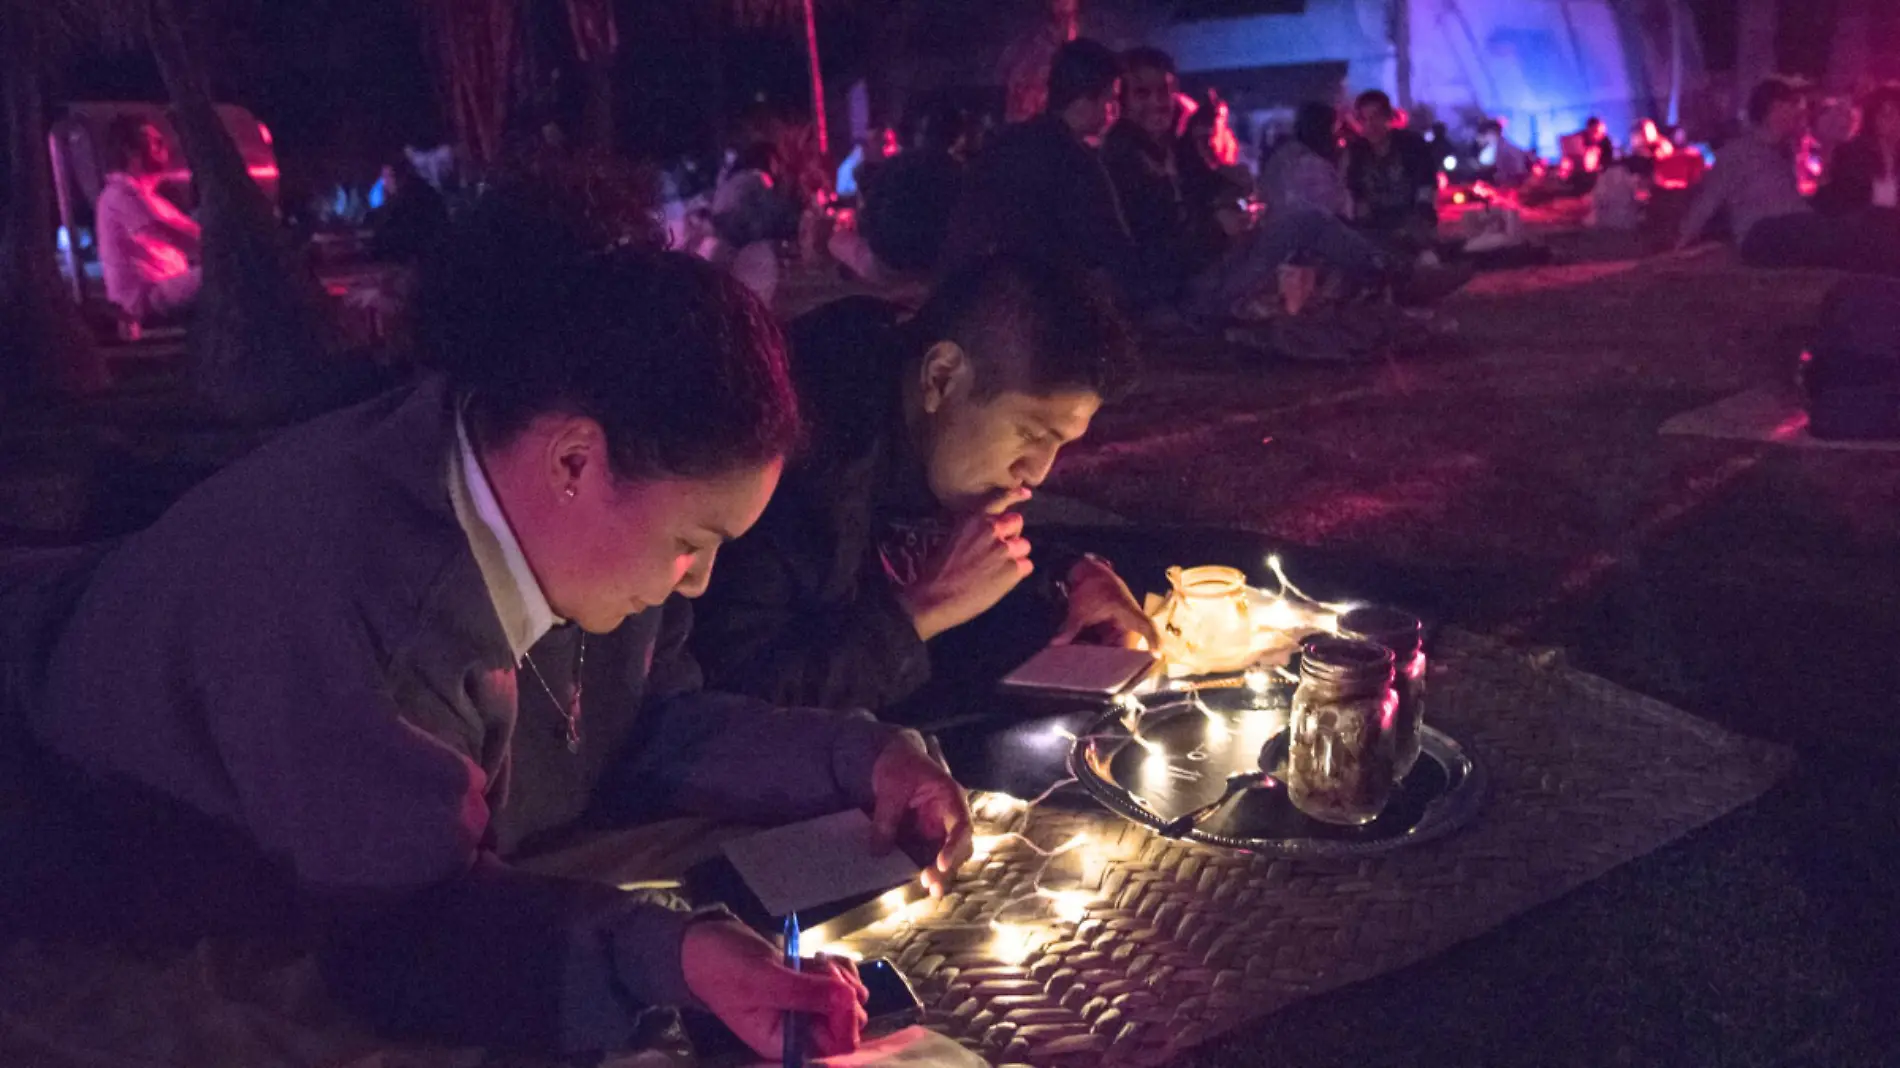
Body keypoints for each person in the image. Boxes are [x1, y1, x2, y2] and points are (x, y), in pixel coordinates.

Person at [22, 166, 972, 1060]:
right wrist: (670, 956)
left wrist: (857, 758)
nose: (697, 581)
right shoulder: (360, 613)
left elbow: (640, 725)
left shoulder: (556, 503)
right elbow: (404, 935)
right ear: (572, 462)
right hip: (52, 799)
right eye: (696, 538)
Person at [690, 255, 1155, 716]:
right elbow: (733, 693)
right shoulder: (800, 461)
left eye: (1060, 445)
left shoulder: (942, 443)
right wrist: (919, 615)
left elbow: (943, 551)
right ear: (942, 377)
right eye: (1032, 434)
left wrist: (1068, 575)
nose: (1037, 472)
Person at [943, 39, 1167, 307]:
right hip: (1039, 311)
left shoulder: (1004, 144)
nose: (1113, 112)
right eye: (1109, 100)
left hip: (973, 299)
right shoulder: (1076, 163)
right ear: (1085, 100)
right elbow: (1114, 252)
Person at [1676, 79, 1900, 273]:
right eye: (1790, 107)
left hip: (1798, 226)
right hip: (1763, 233)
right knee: (1850, 231)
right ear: (1773, 109)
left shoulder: (1784, 156)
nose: (1797, 114)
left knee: (1866, 228)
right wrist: (1680, 243)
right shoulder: (1736, 152)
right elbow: (1708, 200)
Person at [93, 115, 202, 323]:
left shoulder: (149, 198)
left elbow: (193, 232)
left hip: (165, 290)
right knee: (226, 272)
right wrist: (224, 252)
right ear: (129, 150)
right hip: (146, 298)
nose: (165, 146)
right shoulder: (119, 194)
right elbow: (166, 233)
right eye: (155, 141)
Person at [1346, 90, 1439, 245]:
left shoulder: (1411, 144)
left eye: (1376, 117)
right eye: (1365, 119)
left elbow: (1426, 185)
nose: (1371, 125)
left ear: (1388, 116)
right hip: (1375, 226)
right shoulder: (1357, 152)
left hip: (1412, 221)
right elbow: (1356, 194)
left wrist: (1420, 218)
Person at [1260, 101, 1353, 219]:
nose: (1338, 134)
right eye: (1335, 128)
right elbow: (1329, 208)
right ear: (1322, 129)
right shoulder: (1311, 166)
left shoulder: (1284, 156)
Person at [1817, 85, 1900, 216]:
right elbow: (1839, 201)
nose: (1895, 121)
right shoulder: (1853, 154)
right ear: (1874, 118)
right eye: (1887, 114)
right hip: (1860, 229)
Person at [368, 154, 450, 263]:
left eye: (386, 176)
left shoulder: (404, 201)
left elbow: (387, 234)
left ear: (399, 176)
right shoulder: (426, 190)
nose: (384, 182)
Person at [1475, 118, 1535, 189]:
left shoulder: (1508, 150)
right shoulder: (1494, 148)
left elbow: (1517, 174)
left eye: (1481, 135)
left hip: (1508, 191)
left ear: (1491, 133)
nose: (1478, 139)